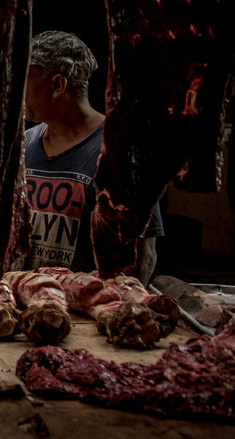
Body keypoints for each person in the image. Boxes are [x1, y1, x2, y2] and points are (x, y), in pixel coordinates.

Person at [21, 30, 162, 283]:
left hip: (84, 313)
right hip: (26, 309)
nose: (18, 91)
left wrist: (111, 308)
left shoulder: (120, 152)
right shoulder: (24, 144)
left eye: (25, 80)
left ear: (57, 85)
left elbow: (143, 256)